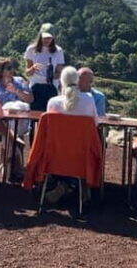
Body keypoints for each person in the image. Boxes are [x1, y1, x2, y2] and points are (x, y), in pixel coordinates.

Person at [43, 66, 98, 203]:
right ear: (77, 81)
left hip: (55, 156)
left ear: (61, 81)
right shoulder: (89, 99)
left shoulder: (53, 102)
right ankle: (80, 186)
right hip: (80, 157)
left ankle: (62, 185)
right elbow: (95, 124)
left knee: (63, 154)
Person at [0, 56, 33, 136]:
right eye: (9, 68)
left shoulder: (20, 81)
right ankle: (12, 141)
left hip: (19, 121)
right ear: (0, 71)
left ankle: (10, 140)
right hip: (1, 122)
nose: (12, 70)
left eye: (12, 68)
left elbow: (31, 99)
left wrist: (16, 91)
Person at [24, 22, 65, 89]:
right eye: (44, 37)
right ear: (40, 36)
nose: (47, 40)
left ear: (53, 37)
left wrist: (52, 77)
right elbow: (27, 73)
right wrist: (33, 68)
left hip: (52, 87)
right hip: (36, 86)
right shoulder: (31, 49)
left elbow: (59, 72)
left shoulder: (58, 51)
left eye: (49, 38)